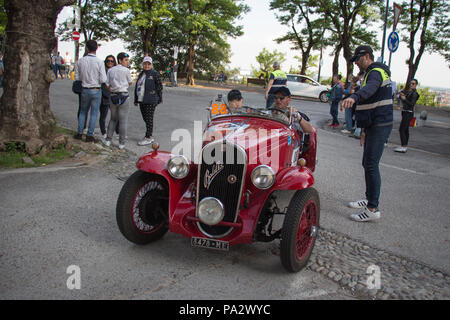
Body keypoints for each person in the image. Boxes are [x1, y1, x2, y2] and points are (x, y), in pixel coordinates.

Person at [341, 45, 394, 222]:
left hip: (380, 124)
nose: (355, 62)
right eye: (354, 60)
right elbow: (372, 101)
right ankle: (369, 198)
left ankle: (372, 208)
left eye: (358, 58)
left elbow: (369, 90)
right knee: (367, 163)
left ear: (368, 56)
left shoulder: (376, 72)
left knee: (371, 164)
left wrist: (354, 97)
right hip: (374, 124)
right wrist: (364, 129)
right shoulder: (371, 73)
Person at [74, 40, 107, 142]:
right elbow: (103, 79)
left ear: (87, 48)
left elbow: (77, 77)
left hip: (85, 89)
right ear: (96, 48)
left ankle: (80, 132)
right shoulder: (99, 62)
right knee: (94, 113)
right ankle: (89, 134)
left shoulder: (80, 61)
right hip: (96, 89)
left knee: (83, 111)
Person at [102, 52, 133, 150]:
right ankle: (121, 143)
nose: (127, 62)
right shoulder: (126, 71)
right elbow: (130, 82)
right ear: (120, 60)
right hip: (124, 95)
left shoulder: (111, 70)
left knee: (113, 119)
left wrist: (112, 89)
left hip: (113, 96)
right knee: (123, 121)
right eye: (126, 60)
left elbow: (107, 84)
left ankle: (108, 140)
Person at [134, 56, 163, 146]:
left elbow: (159, 87)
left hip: (151, 100)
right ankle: (149, 133)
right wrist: (136, 99)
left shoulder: (154, 74)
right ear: (143, 64)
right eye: (145, 64)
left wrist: (158, 98)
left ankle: (148, 137)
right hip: (142, 99)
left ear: (151, 65)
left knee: (149, 118)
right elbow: (137, 87)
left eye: (148, 64)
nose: (147, 65)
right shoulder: (141, 74)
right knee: (146, 118)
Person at [394, 79, 420, 153]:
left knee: (402, 129)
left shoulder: (415, 93)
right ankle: (404, 145)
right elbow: (405, 101)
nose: (411, 85)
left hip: (408, 113)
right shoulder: (410, 92)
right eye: (411, 83)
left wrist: (404, 99)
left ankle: (404, 146)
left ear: (416, 85)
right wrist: (402, 97)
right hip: (406, 112)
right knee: (405, 129)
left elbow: (411, 104)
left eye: (413, 84)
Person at [99, 55, 119, 139]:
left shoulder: (116, 71)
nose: (110, 62)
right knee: (103, 115)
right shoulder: (103, 71)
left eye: (111, 61)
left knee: (116, 115)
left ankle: (118, 132)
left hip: (114, 95)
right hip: (104, 95)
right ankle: (103, 132)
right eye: (108, 61)